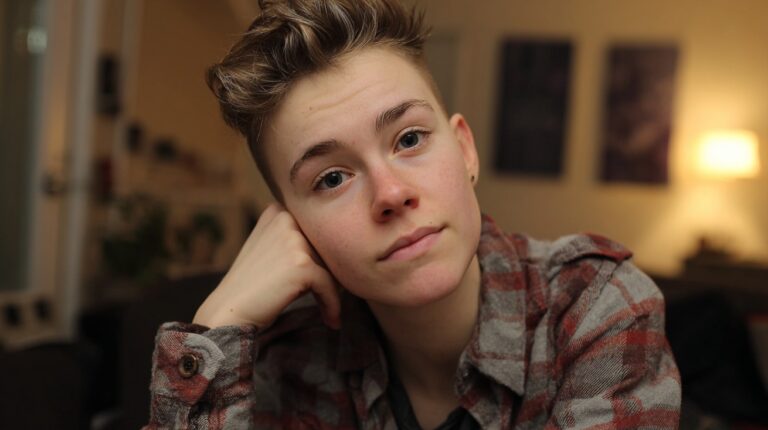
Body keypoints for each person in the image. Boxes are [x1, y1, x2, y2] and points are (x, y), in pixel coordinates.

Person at [144, 0, 681, 428]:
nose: (391, 193)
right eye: (332, 178)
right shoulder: (282, 357)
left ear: (465, 150)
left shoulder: (595, 311)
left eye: (409, 138)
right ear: (294, 228)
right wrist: (220, 322)